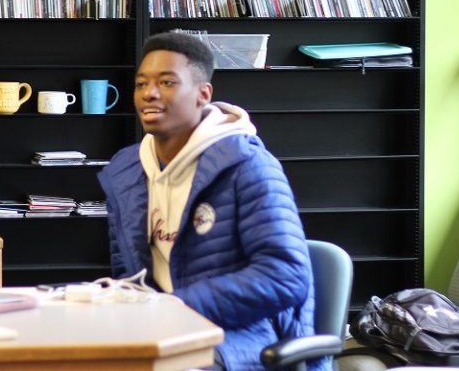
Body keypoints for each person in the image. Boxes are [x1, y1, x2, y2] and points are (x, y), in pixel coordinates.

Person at [98, 32, 322, 371]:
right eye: (141, 83)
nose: (150, 93)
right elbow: (127, 273)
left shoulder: (248, 165)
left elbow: (286, 276)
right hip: (162, 331)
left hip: (244, 336)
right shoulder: (126, 172)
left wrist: (175, 307)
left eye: (167, 82)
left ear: (203, 94)